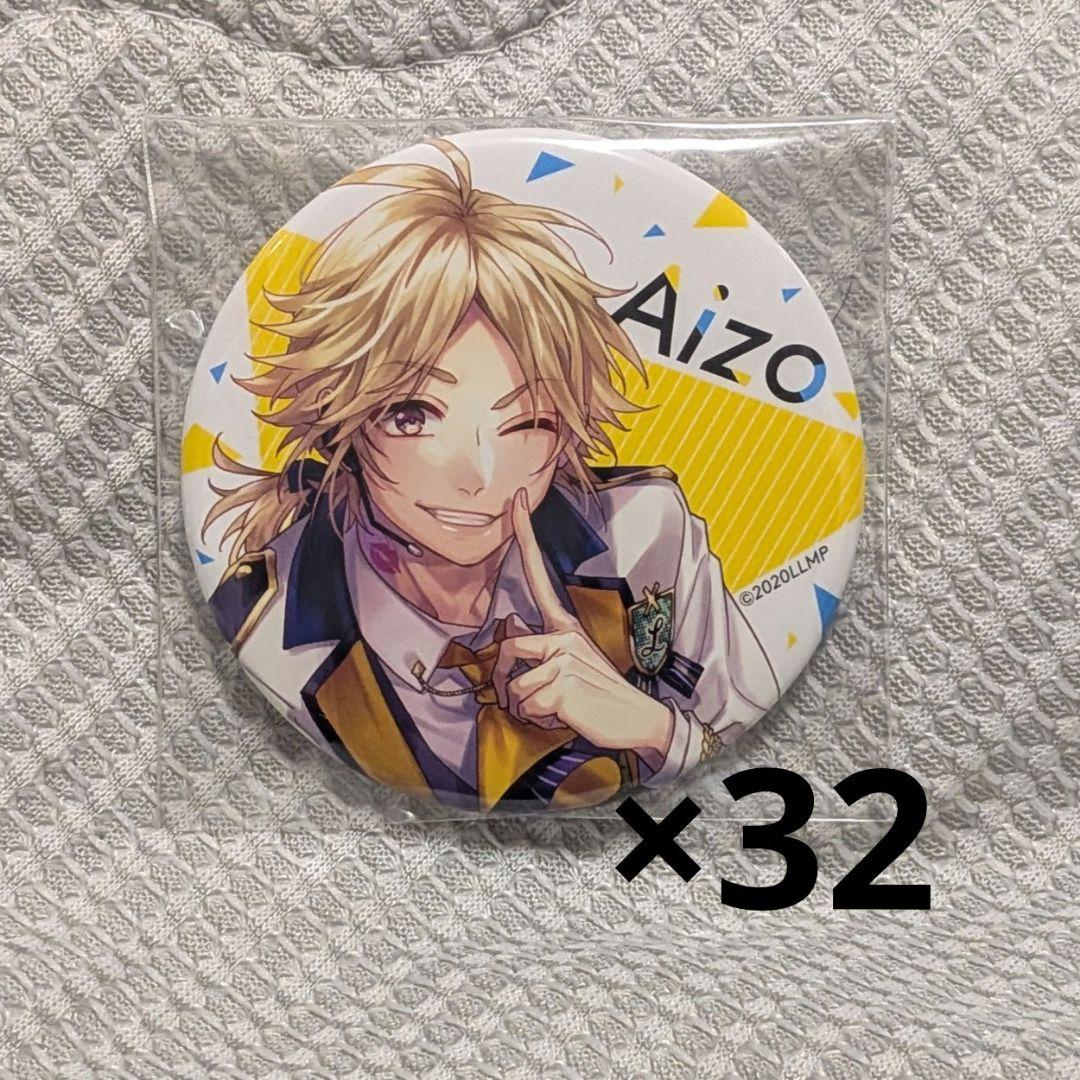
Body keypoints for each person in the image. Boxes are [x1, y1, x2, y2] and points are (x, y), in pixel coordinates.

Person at [203, 138, 779, 811]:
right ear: (342, 420)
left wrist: (655, 729)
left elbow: (751, 761)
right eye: (413, 415)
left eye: (528, 420)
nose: (478, 476)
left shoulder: (646, 535)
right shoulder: (266, 623)